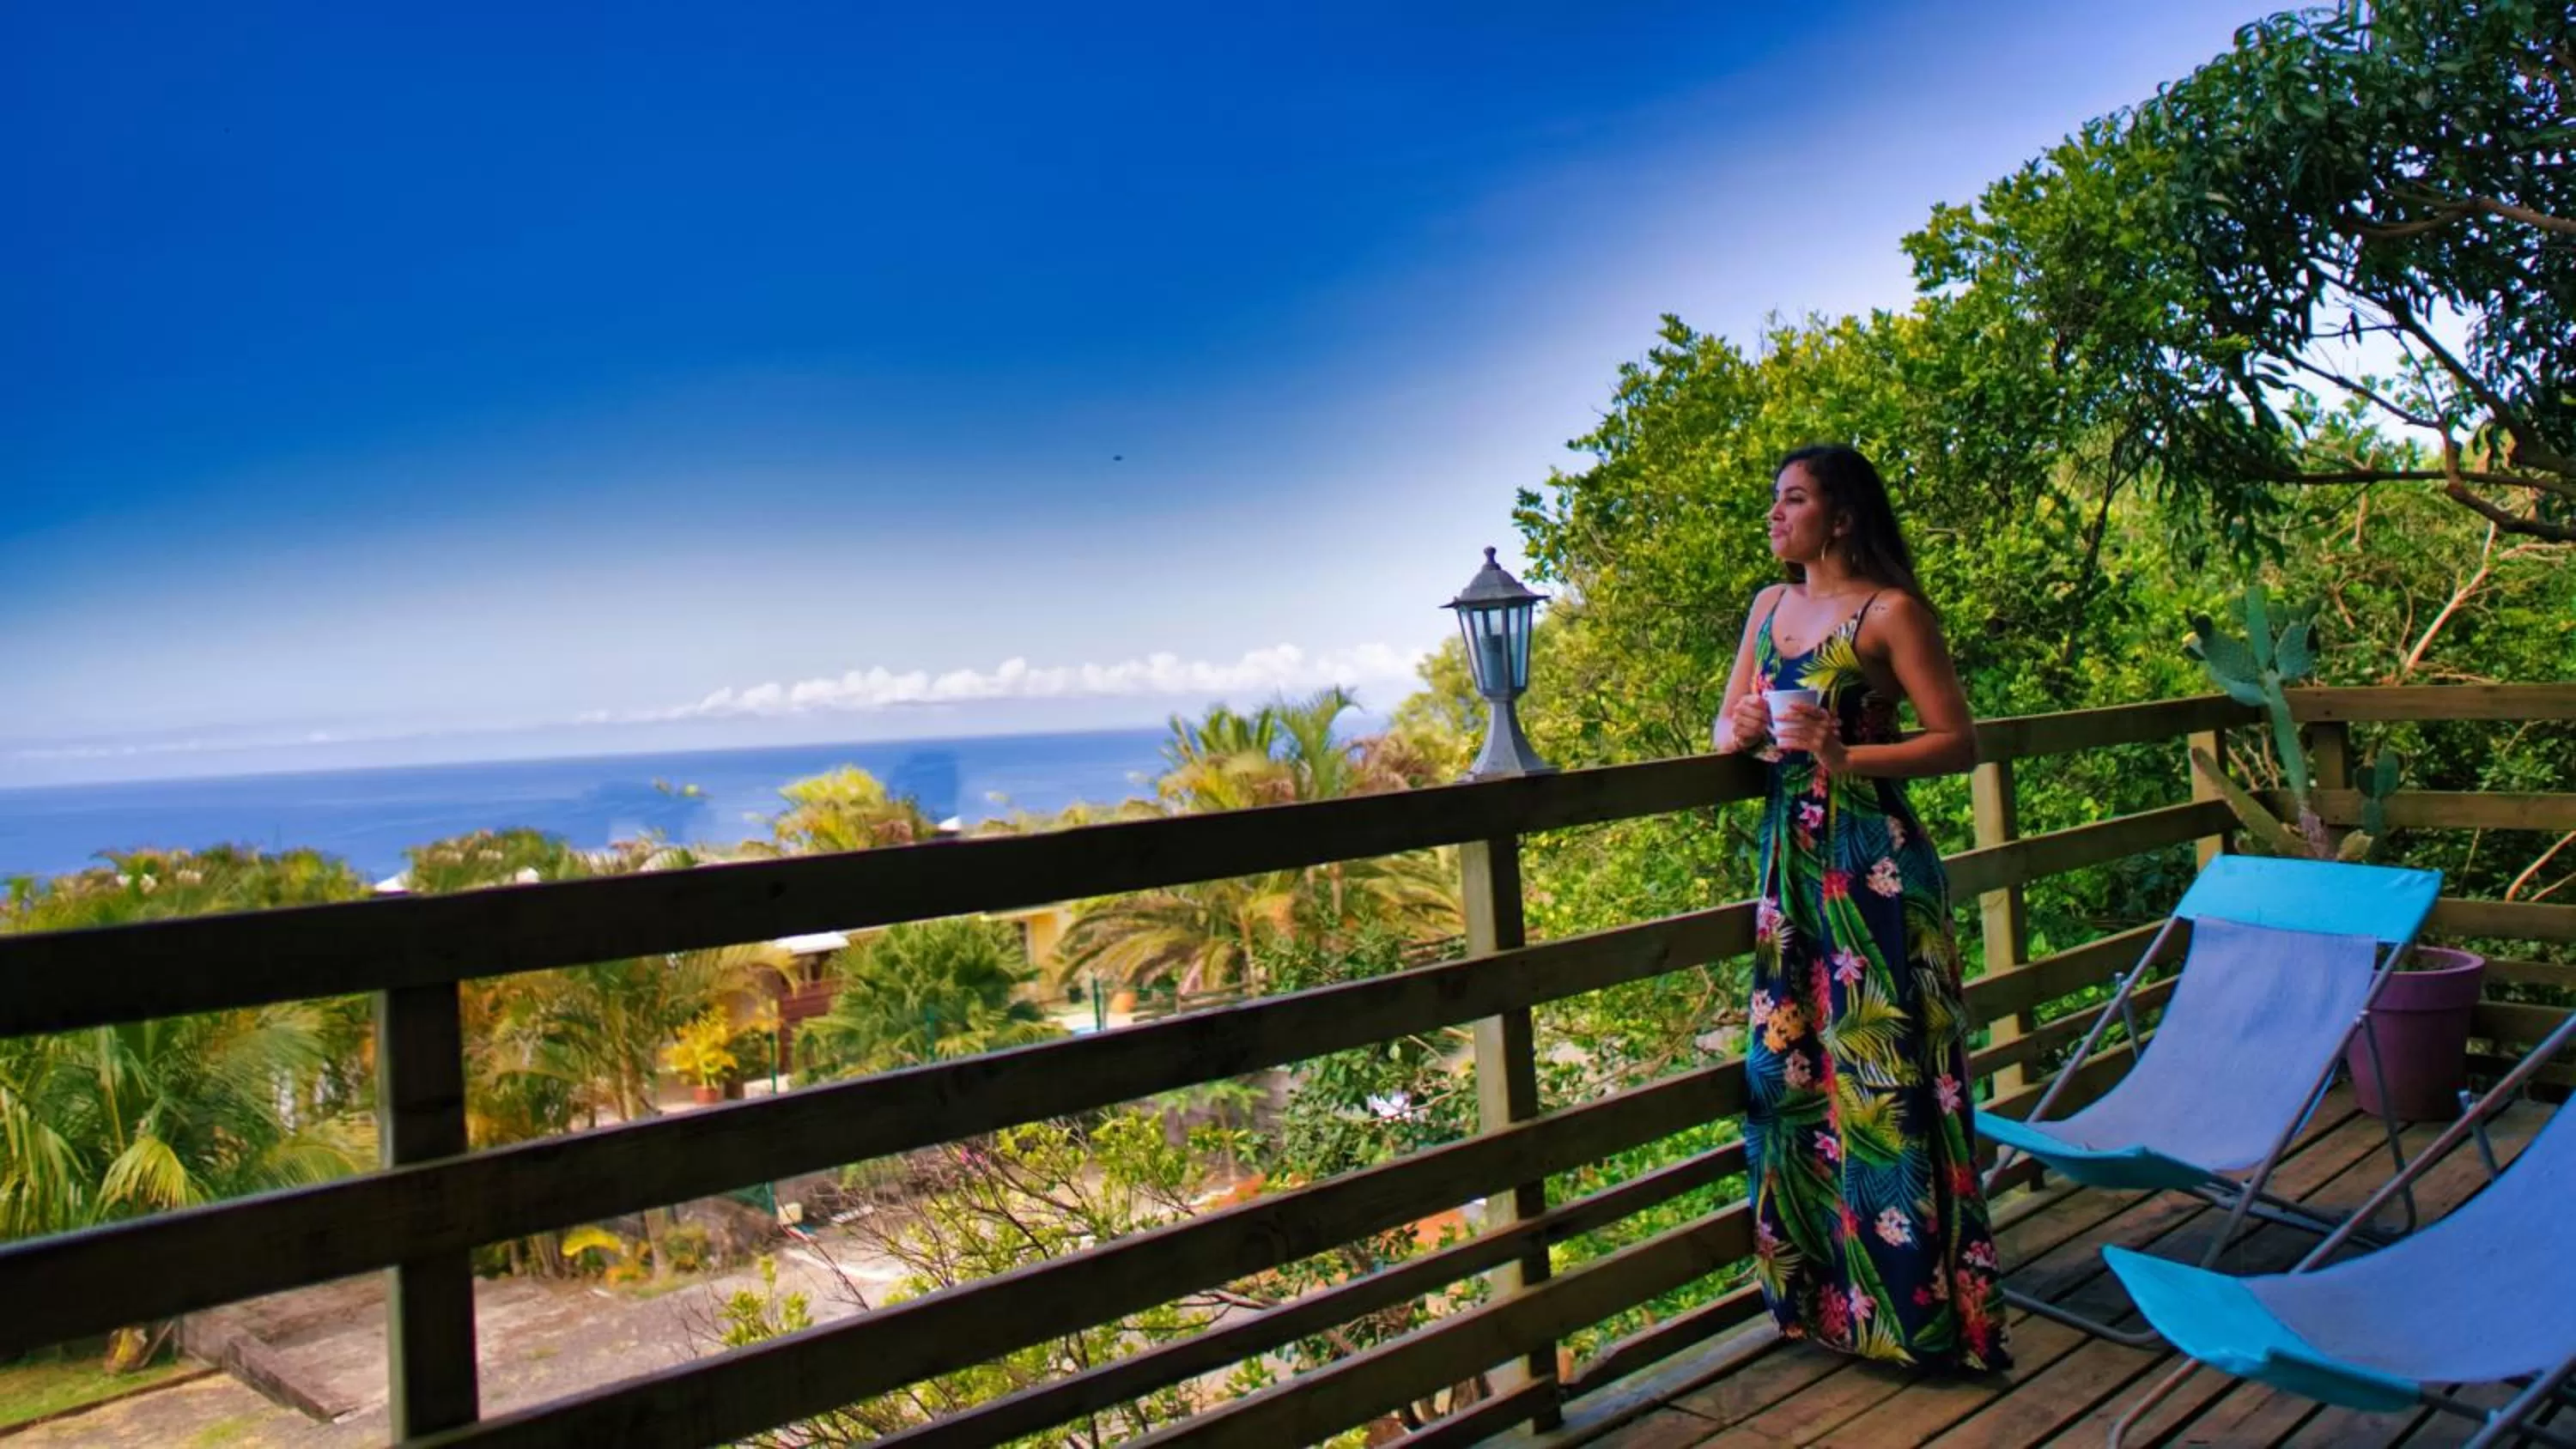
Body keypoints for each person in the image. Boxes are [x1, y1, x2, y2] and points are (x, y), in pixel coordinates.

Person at [1713, 443, 2008, 1372]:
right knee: (1788, 1080)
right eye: (1776, 498)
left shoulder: (1892, 613)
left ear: (1841, 517)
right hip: (1793, 875)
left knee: (1887, 1082)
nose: (1775, 513)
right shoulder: (1769, 607)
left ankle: (1920, 1320)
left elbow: (1957, 741)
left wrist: (1848, 757)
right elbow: (1725, 725)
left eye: (1794, 498)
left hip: (1876, 870)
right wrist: (1744, 726)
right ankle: (1822, 1306)